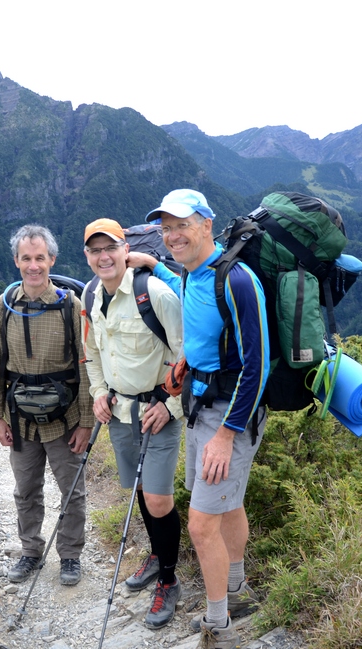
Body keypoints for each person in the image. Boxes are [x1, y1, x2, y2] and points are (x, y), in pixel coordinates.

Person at [128, 190, 268, 649]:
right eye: (165, 228)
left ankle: (220, 626)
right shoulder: (189, 274)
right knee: (227, 504)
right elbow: (184, 282)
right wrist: (150, 264)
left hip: (229, 417)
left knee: (201, 525)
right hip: (200, 405)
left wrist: (227, 435)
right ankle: (238, 590)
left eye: (181, 225)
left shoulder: (238, 280)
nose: (172, 235)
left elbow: (258, 365)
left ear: (207, 224)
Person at [80, 218, 185, 629]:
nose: (103, 257)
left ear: (126, 249)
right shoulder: (91, 296)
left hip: (158, 411)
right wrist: (98, 392)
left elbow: (186, 355)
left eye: (111, 248)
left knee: (158, 498)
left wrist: (170, 407)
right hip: (120, 412)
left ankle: (169, 580)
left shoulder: (153, 293)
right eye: (94, 250)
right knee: (140, 488)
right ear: (87, 256)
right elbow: (92, 351)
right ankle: (159, 553)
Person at [0, 224, 94, 587]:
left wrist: (86, 422)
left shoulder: (70, 306)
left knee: (71, 489)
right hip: (20, 420)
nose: (34, 266)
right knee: (25, 489)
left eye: (40, 258)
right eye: (27, 258)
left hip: (66, 419)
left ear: (52, 260)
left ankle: (70, 556)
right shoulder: (6, 304)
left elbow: (86, 364)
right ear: (16, 261)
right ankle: (30, 551)